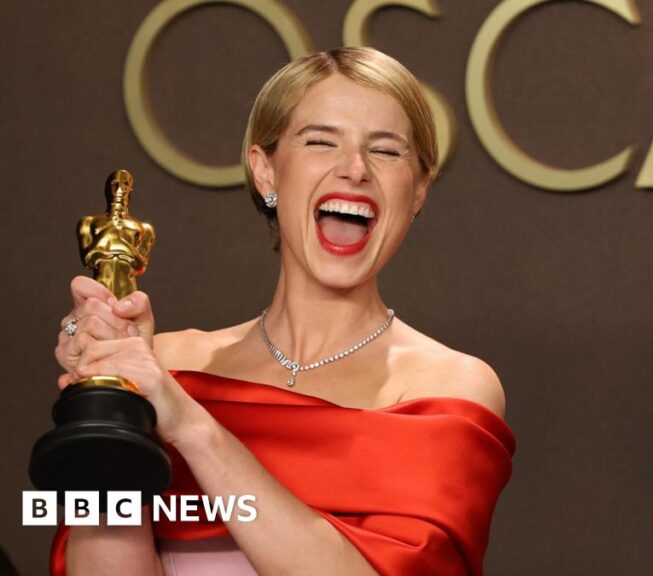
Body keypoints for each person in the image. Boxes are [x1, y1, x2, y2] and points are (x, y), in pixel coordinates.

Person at [50, 47, 514, 575]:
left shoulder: (448, 388)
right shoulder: (168, 365)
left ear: (419, 191)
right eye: (320, 141)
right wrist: (108, 396)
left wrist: (189, 425)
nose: (355, 169)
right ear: (265, 171)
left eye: (386, 151)